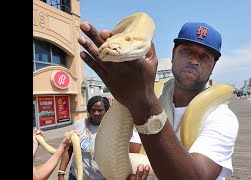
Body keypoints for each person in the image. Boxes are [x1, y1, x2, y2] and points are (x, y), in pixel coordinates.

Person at [77, 20, 239, 180]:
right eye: (187, 51)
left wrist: (143, 103)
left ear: (213, 67)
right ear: (173, 54)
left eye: (204, 57)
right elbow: (130, 154)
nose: (194, 60)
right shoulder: (149, 98)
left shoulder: (222, 117)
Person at [58, 95, 111, 180]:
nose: (96, 113)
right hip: (76, 177)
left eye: (100, 110)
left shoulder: (111, 129)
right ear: (89, 110)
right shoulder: (80, 124)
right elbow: (69, 149)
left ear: (106, 111)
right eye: (93, 110)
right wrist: (61, 173)